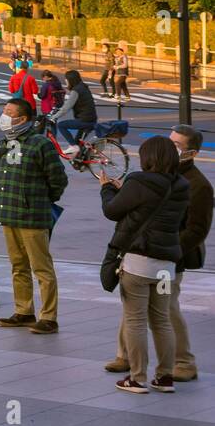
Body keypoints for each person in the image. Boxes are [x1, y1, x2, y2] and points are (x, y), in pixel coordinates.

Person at [106, 126, 210, 383]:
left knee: (165, 312)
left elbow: (197, 229)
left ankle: (183, 361)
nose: (170, 148)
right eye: (169, 142)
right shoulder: (160, 178)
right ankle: (127, 356)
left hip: (170, 259)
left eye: (177, 145)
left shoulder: (197, 185)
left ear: (192, 153)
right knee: (134, 311)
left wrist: (169, 249)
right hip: (154, 257)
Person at [98, 135, 187, 392]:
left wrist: (107, 189)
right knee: (161, 320)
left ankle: (137, 378)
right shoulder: (181, 184)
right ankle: (165, 377)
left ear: (148, 158)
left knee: (135, 320)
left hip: (138, 264)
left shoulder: (138, 181)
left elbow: (112, 211)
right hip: (165, 267)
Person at [0, 97, 68, 333]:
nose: (4, 116)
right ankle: (24, 311)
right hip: (9, 214)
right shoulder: (6, 142)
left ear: (23, 118)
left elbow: (58, 179)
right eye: (4, 111)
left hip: (33, 216)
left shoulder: (39, 144)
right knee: (18, 265)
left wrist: (42, 200)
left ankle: (49, 317)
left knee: (41, 267)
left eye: (9, 112)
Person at [52, 69, 98, 156]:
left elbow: (66, 107)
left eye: (66, 79)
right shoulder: (83, 86)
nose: (65, 81)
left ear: (70, 80)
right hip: (91, 119)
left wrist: (54, 117)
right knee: (78, 145)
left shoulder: (76, 91)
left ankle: (73, 146)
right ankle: (82, 161)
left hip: (85, 120)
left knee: (61, 125)